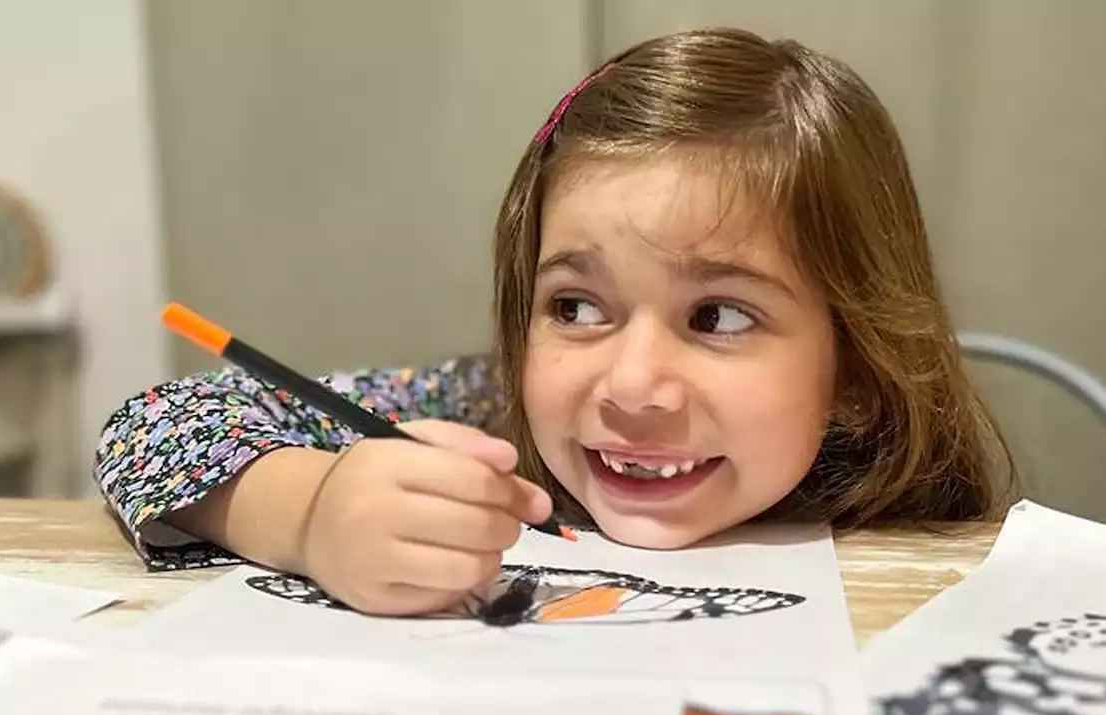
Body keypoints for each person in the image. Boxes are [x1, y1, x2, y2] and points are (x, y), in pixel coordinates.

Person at [94, 27, 1015, 617]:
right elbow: (153, 427)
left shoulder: (933, 571)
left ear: (854, 362)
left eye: (719, 315)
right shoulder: (483, 405)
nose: (630, 384)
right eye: (576, 307)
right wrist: (310, 515)